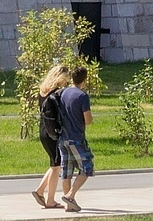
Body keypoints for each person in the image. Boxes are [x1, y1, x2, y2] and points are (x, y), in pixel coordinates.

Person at [56, 62, 94, 210]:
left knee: (66, 171)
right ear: (84, 80)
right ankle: (70, 196)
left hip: (62, 138)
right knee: (87, 167)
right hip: (77, 138)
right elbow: (88, 120)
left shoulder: (63, 93)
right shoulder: (83, 96)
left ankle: (69, 206)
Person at [33, 65, 71, 209]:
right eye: (65, 79)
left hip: (43, 130)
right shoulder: (57, 93)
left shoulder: (43, 91)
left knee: (54, 163)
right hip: (53, 133)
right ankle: (50, 200)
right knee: (57, 166)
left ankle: (40, 190)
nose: (66, 83)